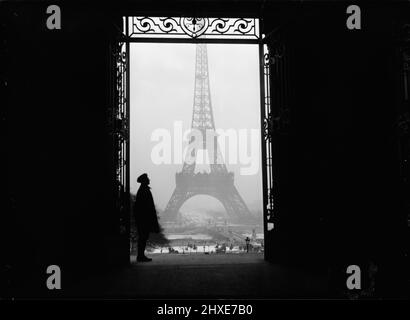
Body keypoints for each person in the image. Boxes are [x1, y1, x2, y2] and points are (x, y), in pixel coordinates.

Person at [134, 173, 160, 262]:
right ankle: (140, 256)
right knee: (143, 237)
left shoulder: (143, 190)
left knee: (143, 237)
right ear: (145, 181)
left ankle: (140, 255)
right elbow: (146, 206)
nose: (149, 180)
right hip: (144, 219)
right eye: (148, 178)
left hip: (143, 218)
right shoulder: (144, 190)